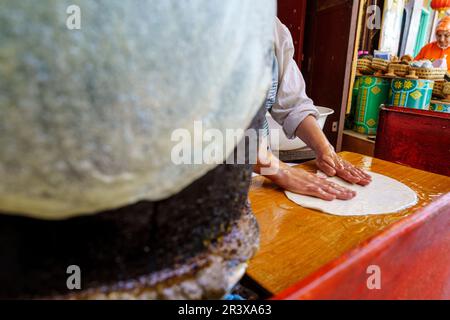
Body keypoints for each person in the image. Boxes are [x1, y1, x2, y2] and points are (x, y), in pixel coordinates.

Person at [254, 18, 372, 201]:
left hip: (257, 178)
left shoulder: (271, 26)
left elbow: (293, 103)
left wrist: (324, 149)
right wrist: (281, 171)